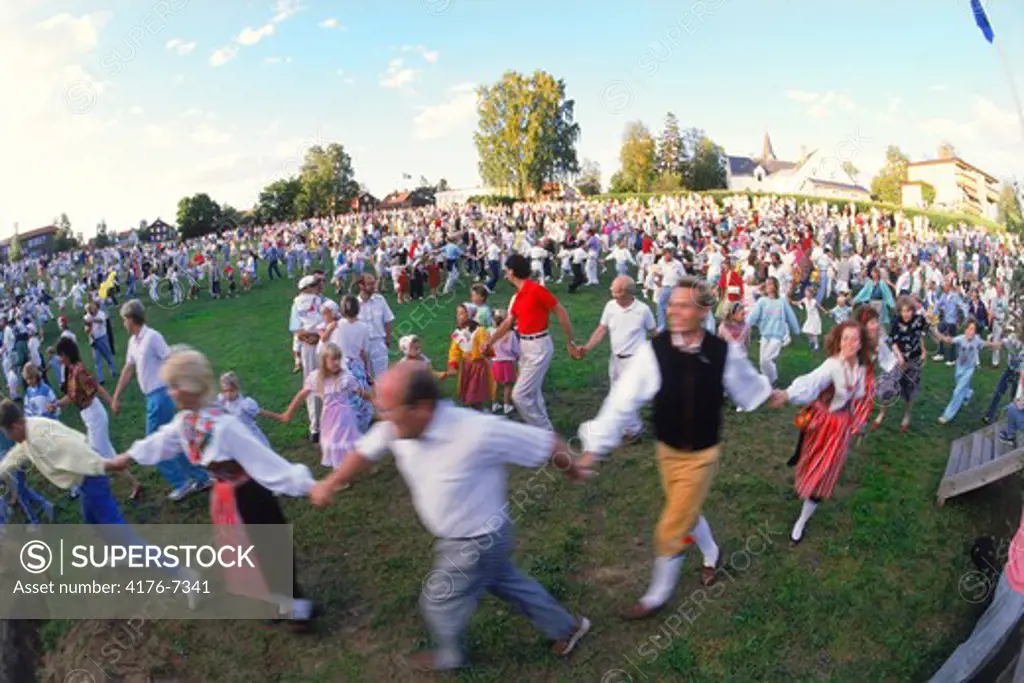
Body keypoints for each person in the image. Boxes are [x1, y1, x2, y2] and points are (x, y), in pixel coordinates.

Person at [309, 364, 592, 672]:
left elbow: (547, 443)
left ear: (423, 407)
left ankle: (450, 658)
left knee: (438, 600)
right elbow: (364, 452)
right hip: (478, 537)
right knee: (505, 581)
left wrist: (574, 470)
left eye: (388, 410)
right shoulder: (397, 426)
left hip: (477, 539)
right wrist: (331, 481)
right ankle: (567, 627)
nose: (382, 418)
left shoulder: (476, 431)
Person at [578, 278, 780, 619]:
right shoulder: (654, 351)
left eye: (683, 305)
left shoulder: (721, 351)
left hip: (702, 453)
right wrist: (593, 448)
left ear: (703, 311)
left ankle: (655, 597)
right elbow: (622, 399)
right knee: (684, 509)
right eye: (671, 303)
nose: (673, 310)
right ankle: (711, 551)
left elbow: (747, 384)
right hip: (667, 450)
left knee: (671, 526)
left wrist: (769, 394)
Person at [105, 348, 317, 628]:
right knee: (247, 553)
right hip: (226, 497)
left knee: (270, 547)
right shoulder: (186, 423)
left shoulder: (225, 426)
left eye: (174, 385)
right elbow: (160, 441)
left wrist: (309, 485)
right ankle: (276, 600)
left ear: (191, 387)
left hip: (251, 494)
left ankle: (295, 605)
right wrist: (127, 457)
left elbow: (266, 463)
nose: (169, 392)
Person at [771, 320, 873, 544]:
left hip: (840, 428)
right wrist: (788, 394)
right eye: (845, 338)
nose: (849, 343)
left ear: (860, 343)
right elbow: (813, 382)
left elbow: (859, 397)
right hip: (821, 423)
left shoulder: (861, 368)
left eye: (854, 339)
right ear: (838, 340)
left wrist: (858, 421)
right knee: (809, 462)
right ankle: (805, 480)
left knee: (824, 474)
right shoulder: (832, 365)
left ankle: (802, 520)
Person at [111, 299, 210, 501]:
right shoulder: (133, 342)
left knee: (153, 443)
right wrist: (116, 395)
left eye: (124, 320)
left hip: (160, 396)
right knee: (174, 438)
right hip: (152, 398)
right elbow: (128, 369)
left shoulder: (152, 337)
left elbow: (170, 360)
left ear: (131, 319)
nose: (123, 324)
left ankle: (182, 482)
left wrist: (179, 388)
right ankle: (201, 477)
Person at [484, 254, 579, 431]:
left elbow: (561, 312)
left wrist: (570, 342)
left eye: (506, 270)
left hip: (539, 346)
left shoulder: (536, 290)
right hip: (525, 346)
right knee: (533, 394)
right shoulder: (516, 297)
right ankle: (544, 430)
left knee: (519, 395)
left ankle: (546, 435)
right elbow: (507, 323)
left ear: (512, 272)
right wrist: (490, 342)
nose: (505, 273)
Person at [577, 275, 656, 441]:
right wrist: (587, 347)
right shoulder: (610, 307)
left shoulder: (642, 310)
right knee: (616, 393)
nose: (610, 291)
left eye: (614, 289)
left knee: (626, 395)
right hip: (616, 359)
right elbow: (601, 330)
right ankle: (627, 426)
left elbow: (654, 332)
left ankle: (634, 430)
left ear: (625, 293)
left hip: (634, 361)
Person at [280, 343, 371, 469]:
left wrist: (375, 400)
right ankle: (341, 469)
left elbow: (360, 393)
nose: (336, 362)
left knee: (345, 441)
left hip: (345, 416)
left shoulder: (345, 378)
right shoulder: (316, 378)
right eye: (333, 359)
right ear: (324, 361)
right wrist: (288, 412)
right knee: (333, 443)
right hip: (328, 417)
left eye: (338, 359)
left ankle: (348, 468)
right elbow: (302, 394)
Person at [933, 320, 1001, 424]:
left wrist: (994, 344)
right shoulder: (960, 339)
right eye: (969, 329)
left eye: (973, 330)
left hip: (970, 368)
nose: (971, 332)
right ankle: (968, 394)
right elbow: (949, 340)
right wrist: (938, 334)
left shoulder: (977, 340)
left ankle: (947, 415)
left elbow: (985, 343)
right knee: (961, 386)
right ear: (965, 330)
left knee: (957, 391)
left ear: (975, 332)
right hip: (960, 367)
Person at [288, 275, 325, 442]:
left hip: (310, 345)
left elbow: (295, 329)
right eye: (316, 284)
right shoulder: (320, 301)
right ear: (308, 287)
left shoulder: (296, 303)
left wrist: (306, 336)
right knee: (325, 381)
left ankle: (315, 427)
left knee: (312, 383)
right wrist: (316, 336)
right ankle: (320, 424)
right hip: (322, 342)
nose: (319, 286)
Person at [746, 276, 801, 386]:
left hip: (777, 335)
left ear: (775, 286)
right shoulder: (762, 301)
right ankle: (768, 381)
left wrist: (796, 330)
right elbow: (753, 316)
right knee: (762, 362)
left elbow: (791, 316)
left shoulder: (782, 302)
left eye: (770, 284)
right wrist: (745, 325)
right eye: (766, 284)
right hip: (765, 335)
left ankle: (772, 381)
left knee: (767, 359)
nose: (767, 286)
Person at [442, 303, 492, 410]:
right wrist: (453, 363)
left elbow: (487, 345)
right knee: (467, 389)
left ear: (470, 315)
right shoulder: (457, 333)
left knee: (475, 391)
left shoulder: (480, 331)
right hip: (466, 365)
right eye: (457, 313)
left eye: (462, 313)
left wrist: (485, 349)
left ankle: (478, 409)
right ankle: (473, 408)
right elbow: (454, 350)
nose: (458, 316)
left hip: (477, 365)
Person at [356, 274, 395, 379]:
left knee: (382, 376)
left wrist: (387, 339)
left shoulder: (380, 300)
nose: (373, 286)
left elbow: (387, 320)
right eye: (369, 284)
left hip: (378, 342)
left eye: (374, 283)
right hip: (362, 345)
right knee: (364, 377)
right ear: (361, 285)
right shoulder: (355, 304)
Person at [489, 308, 519, 414]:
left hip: (496, 361)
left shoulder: (491, 332)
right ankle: (506, 405)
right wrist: (518, 356)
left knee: (495, 383)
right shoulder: (511, 334)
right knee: (508, 384)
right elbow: (514, 348)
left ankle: (494, 404)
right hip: (508, 362)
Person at [84, 302, 118, 384]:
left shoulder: (101, 314)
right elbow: (86, 328)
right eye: (89, 311)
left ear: (95, 308)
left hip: (102, 338)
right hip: (93, 340)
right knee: (97, 360)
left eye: (91, 310)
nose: (90, 312)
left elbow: (101, 320)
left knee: (108, 356)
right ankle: (100, 379)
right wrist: (87, 329)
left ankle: (113, 371)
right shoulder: (87, 317)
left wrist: (92, 320)